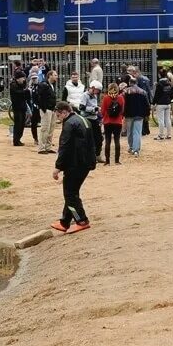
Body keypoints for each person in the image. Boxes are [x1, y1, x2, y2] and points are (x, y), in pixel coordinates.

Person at [50, 101, 95, 234]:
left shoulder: (69, 124)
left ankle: (82, 220)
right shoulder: (83, 119)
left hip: (76, 164)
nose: (58, 118)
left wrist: (58, 167)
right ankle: (64, 222)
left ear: (64, 112)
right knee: (72, 192)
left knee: (70, 193)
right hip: (86, 162)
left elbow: (64, 147)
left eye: (58, 115)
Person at [122, 76, 149, 158]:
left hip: (129, 115)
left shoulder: (126, 92)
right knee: (137, 132)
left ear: (129, 83)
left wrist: (123, 113)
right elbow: (146, 104)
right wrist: (146, 114)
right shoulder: (143, 92)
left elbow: (123, 103)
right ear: (136, 83)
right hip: (139, 115)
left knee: (129, 132)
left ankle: (131, 147)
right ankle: (136, 150)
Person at [35, 70, 58, 154]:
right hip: (46, 110)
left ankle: (48, 146)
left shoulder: (51, 85)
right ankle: (42, 147)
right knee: (45, 128)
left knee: (51, 129)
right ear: (50, 76)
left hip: (52, 109)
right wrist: (43, 108)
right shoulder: (43, 85)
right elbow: (39, 97)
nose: (57, 76)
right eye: (55, 75)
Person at [100, 83, 124, 164]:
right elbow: (122, 110)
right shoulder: (120, 98)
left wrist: (104, 117)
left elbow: (102, 111)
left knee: (108, 141)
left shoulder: (106, 98)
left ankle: (107, 161)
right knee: (117, 141)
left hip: (107, 121)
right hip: (118, 122)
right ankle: (117, 160)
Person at [82, 80, 104, 160]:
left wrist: (97, 109)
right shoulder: (85, 95)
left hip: (94, 119)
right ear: (93, 88)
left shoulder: (94, 96)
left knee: (99, 138)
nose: (98, 92)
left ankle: (97, 155)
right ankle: (89, 156)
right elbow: (81, 107)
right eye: (97, 90)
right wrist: (94, 109)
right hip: (87, 119)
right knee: (88, 138)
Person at [8, 71, 30, 146]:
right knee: (18, 123)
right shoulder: (13, 85)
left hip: (23, 106)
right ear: (18, 78)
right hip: (17, 107)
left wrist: (25, 89)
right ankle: (16, 140)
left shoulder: (22, 85)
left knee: (22, 123)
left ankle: (19, 138)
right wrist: (25, 90)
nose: (23, 79)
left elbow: (26, 95)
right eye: (22, 78)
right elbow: (18, 93)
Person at [153, 69, 173, 140]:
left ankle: (161, 135)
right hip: (168, 103)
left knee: (161, 120)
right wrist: (169, 99)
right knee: (168, 119)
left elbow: (157, 95)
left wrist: (153, 103)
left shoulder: (159, 84)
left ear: (159, 75)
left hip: (160, 104)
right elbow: (171, 93)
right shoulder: (169, 83)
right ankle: (169, 135)